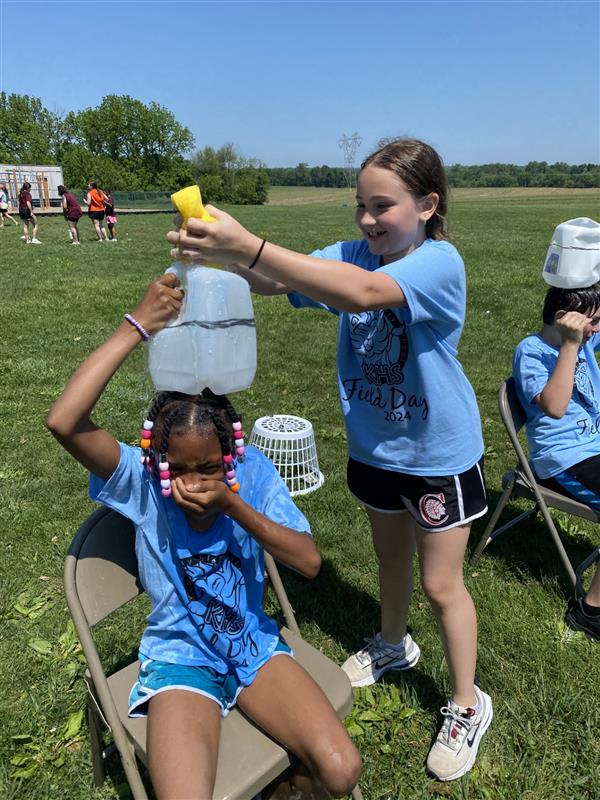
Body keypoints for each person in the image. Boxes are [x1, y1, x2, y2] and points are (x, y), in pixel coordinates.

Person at [167, 137, 493, 782]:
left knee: (441, 583)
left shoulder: (437, 262)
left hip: (437, 454)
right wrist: (223, 257)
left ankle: (465, 702)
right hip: (377, 449)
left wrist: (251, 245)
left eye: (384, 206)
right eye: (360, 207)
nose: (368, 221)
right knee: (390, 559)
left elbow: (364, 294)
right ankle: (394, 643)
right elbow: (277, 279)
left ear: (428, 205)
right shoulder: (351, 253)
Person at [45, 273, 361, 800]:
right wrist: (137, 326)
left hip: (254, 649)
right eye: (179, 469)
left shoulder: (252, 473)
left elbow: (308, 563)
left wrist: (235, 504)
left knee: (340, 768)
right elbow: (63, 420)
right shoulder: (142, 480)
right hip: (180, 658)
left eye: (211, 468)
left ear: (232, 456)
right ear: (157, 459)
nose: (193, 484)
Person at [513, 283, 600, 641]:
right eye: (591, 322)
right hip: (563, 460)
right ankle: (589, 612)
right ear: (564, 320)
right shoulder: (531, 352)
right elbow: (555, 406)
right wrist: (569, 345)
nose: (596, 330)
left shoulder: (586, 340)